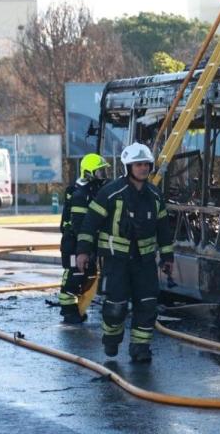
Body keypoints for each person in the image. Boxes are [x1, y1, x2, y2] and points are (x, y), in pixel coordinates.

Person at [75, 143, 173, 363]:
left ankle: (140, 348)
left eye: (146, 164)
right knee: (116, 306)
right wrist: (83, 252)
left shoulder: (155, 196)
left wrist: (167, 258)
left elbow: (164, 229)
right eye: (138, 164)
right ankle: (111, 339)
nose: (143, 168)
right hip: (116, 261)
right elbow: (90, 223)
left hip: (145, 263)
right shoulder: (110, 193)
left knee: (147, 305)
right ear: (128, 166)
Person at [57, 153, 110, 324]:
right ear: (89, 173)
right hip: (74, 244)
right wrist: (84, 248)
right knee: (74, 276)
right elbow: (79, 225)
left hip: (82, 244)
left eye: (104, 172)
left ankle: (77, 309)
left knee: (88, 274)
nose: (103, 176)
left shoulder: (90, 191)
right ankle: (68, 310)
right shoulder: (81, 194)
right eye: (100, 172)